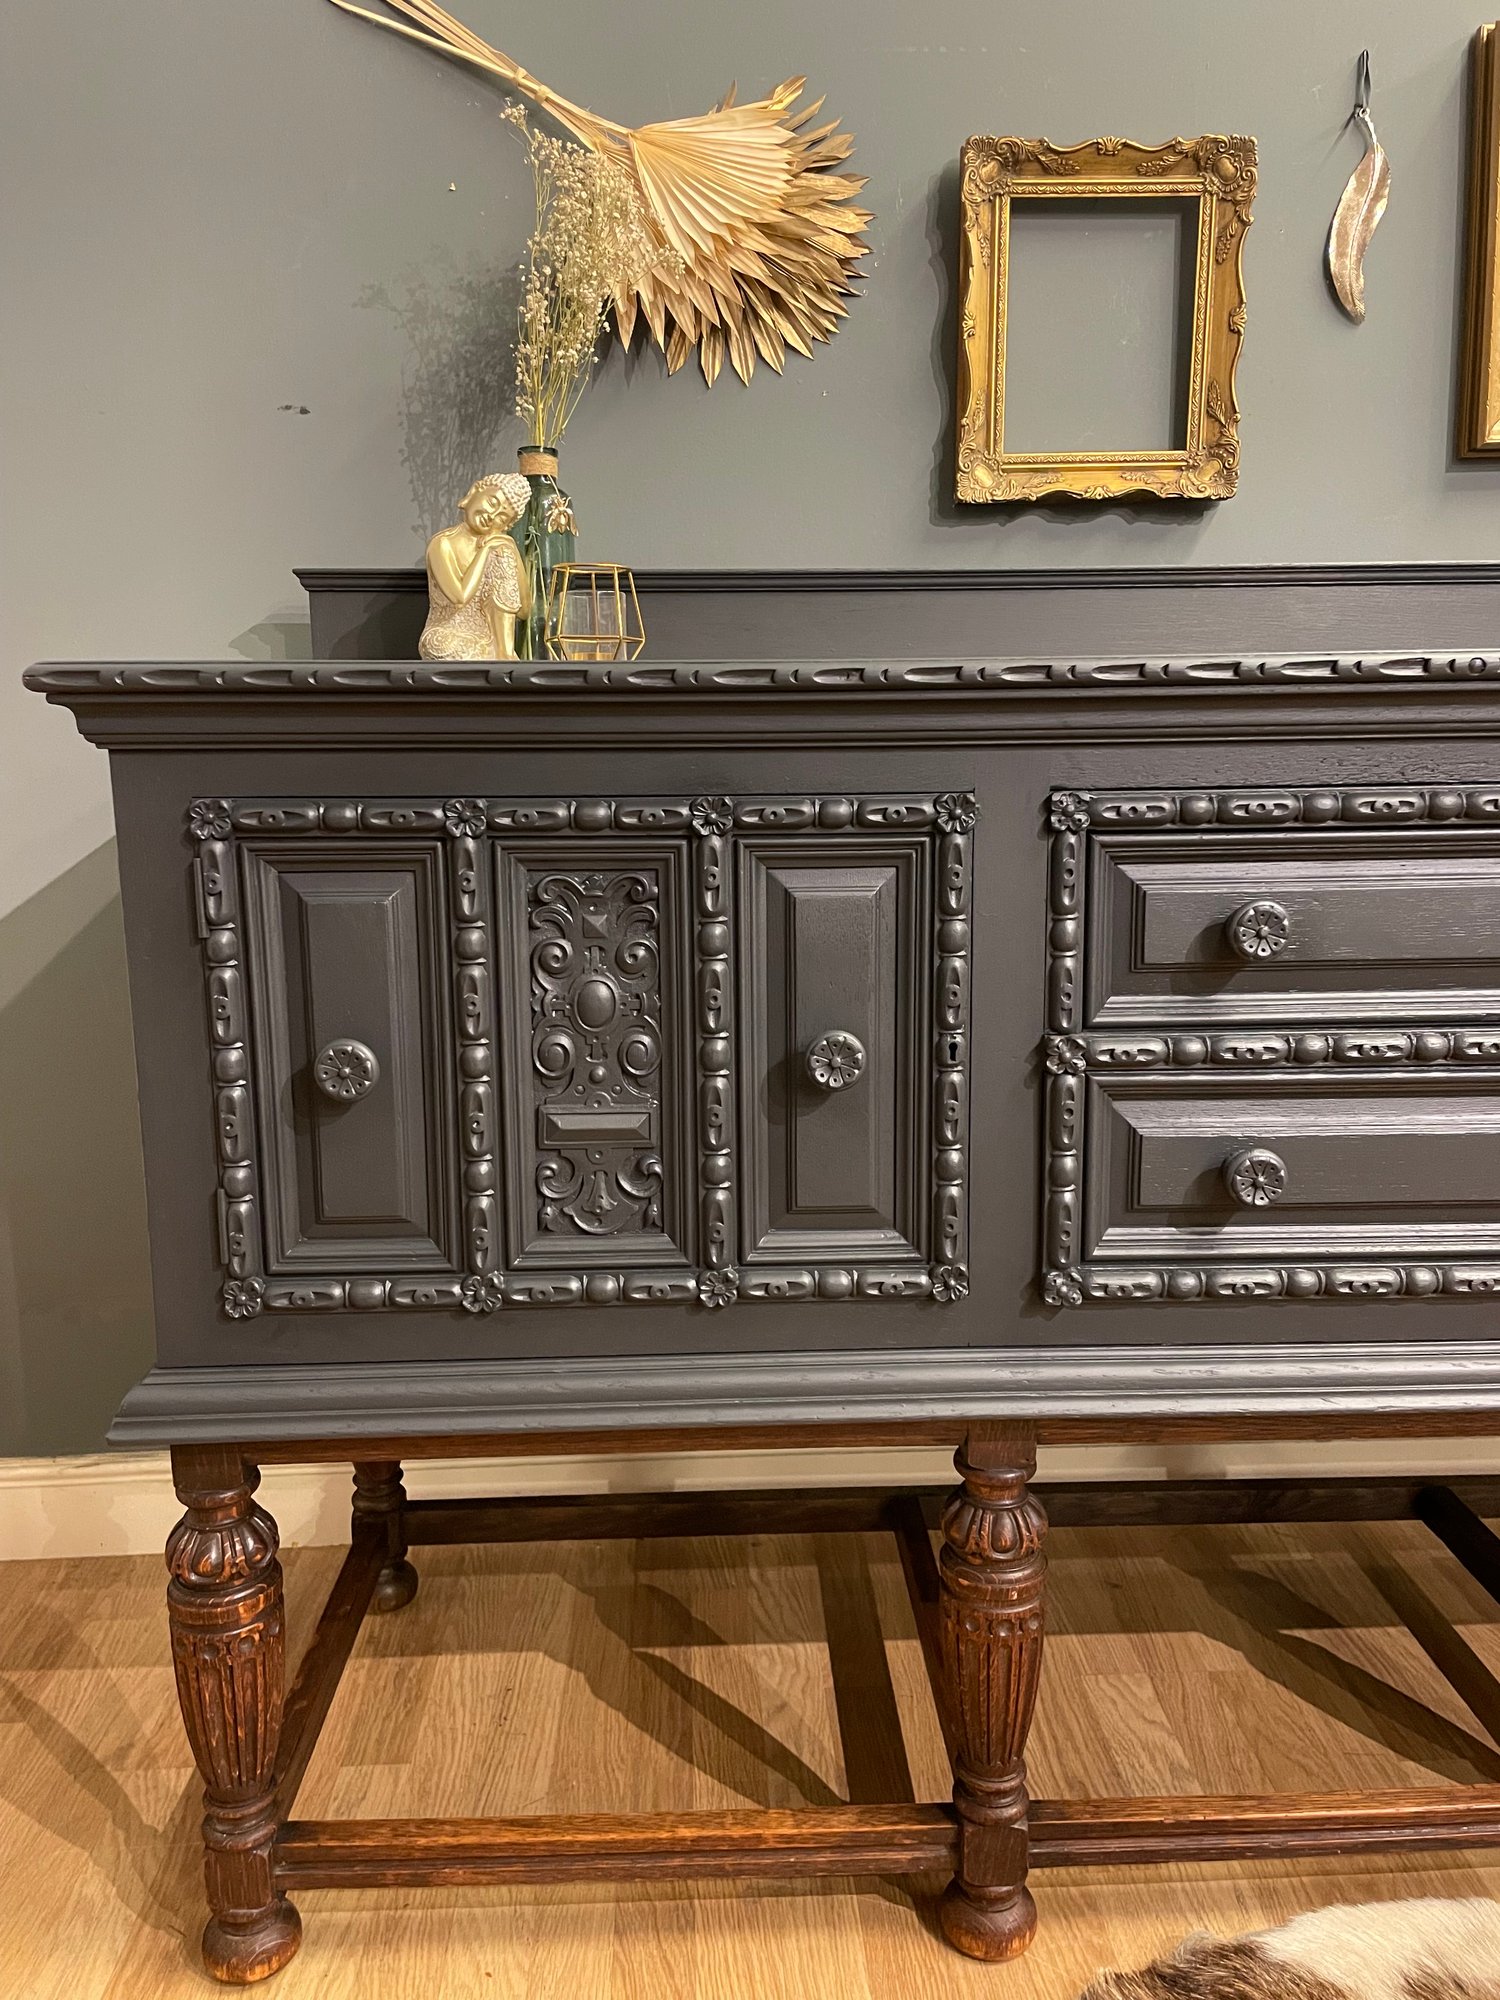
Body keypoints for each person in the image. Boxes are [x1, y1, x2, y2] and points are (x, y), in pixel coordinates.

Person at [417, 472, 533, 660]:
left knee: (503, 555)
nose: (492, 515)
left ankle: (505, 654)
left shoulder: (498, 550)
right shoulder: (442, 544)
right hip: (449, 634)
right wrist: (484, 552)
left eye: (502, 518)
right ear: (474, 491)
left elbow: (524, 611)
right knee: (439, 644)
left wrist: (512, 549)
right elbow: (459, 597)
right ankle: (498, 658)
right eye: (492, 503)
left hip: (490, 641)